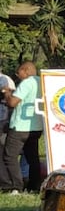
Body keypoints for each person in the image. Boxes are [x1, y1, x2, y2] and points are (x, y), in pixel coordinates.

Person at [2, 61, 41, 193]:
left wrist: (7, 93)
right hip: (36, 126)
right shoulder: (41, 82)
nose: (18, 76)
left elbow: (12, 102)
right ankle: (34, 186)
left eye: (18, 73)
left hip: (20, 126)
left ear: (26, 70)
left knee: (9, 156)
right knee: (32, 158)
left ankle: (16, 186)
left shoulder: (26, 82)